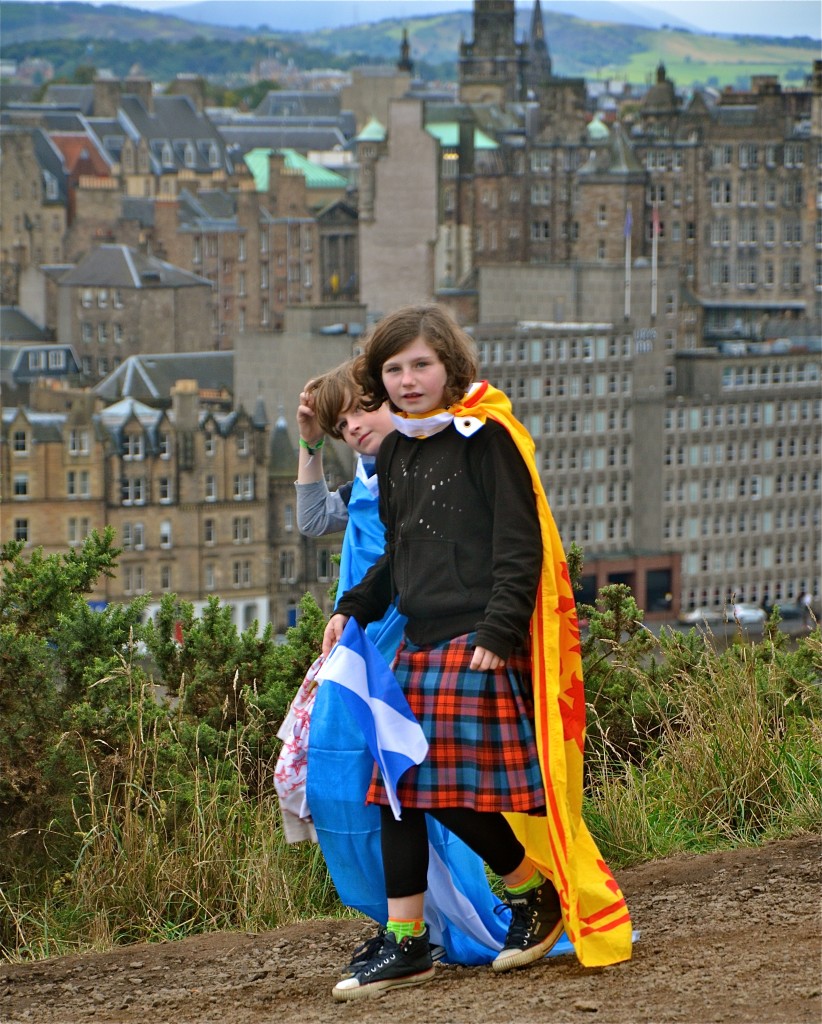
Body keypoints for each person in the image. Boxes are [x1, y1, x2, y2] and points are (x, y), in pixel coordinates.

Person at [323, 305, 632, 1001]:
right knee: (400, 785)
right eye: (394, 369)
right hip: (423, 639)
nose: (407, 380)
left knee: (443, 788)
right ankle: (410, 943)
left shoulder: (485, 438)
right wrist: (352, 610)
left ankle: (531, 891)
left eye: (420, 365)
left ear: (450, 368)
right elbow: (401, 555)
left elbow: (519, 546)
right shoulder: (399, 448)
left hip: (475, 638)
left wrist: (497, 633)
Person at [282, 358, 511, 973]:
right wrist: (308, 442)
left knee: (407, 783)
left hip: (397, 642)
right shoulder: (369, 473)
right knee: (371, 788)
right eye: (341, 423)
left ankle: (447, 916)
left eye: (363, 409)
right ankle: (411, 923)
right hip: (360, 637)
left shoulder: (421, 470)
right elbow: (311, 522)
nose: (353, 427)